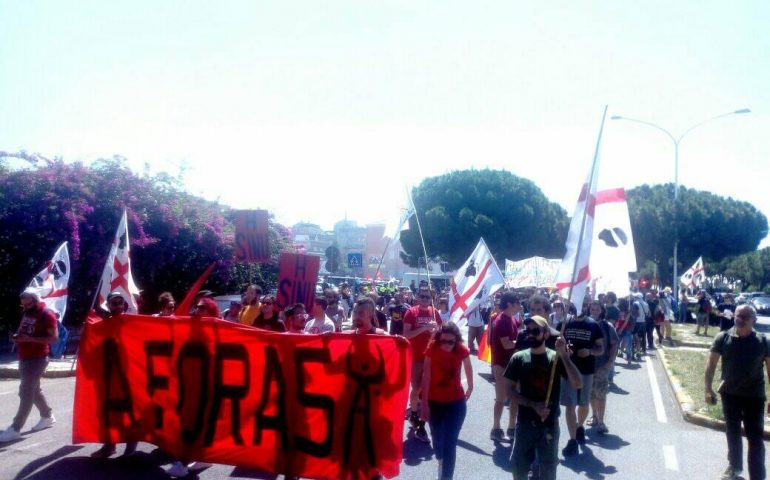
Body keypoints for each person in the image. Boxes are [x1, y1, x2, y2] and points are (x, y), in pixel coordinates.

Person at [505, 315, 582, 480]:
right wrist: (533, 405)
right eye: (528, 331)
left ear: (546, 334)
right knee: (518, 469)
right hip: (525, 423)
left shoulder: (555, 359)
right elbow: (509, 391)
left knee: (548, 472)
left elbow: (577, 383)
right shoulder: (518, 358)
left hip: (549, 425)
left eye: (535, 330)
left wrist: (565, 356)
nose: (531, 334)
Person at [705, 305, 770, 480]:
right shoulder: (723, 337)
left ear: (753, 320)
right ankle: (734, 467)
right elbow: (711, 365)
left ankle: (757, 476)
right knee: (732, 432)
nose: (739, 318)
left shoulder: (763, 341)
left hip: (754, 397)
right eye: (737, 315)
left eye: (745, 316)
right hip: (730, 394)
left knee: (755, 438)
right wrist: (708, 388)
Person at [0, 289, 58, 443]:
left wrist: (29, 339)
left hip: (37, 358)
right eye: (23, 304)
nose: (24, 307)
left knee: (25, 392)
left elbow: (53, 338)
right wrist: (18, 337)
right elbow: (25, 331)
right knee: (34, 390)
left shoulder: (47, 314)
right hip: (25, 357)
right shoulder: (27, 312)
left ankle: (15, 428)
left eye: (28, 304)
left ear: (36, 300)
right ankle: (47, 416)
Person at [420, 322, 473, 480]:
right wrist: (423, 404)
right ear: (438, 339)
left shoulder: (461, 349)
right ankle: (441, 461)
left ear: (456, 340)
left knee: (450, 442)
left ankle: (446, 477)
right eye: (443, 341)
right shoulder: (432, 348)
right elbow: (426, 375)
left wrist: (470, 387)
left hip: (455, 403)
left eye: (450, 341)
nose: (446, 344)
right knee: (437, 440)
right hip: (434, 402)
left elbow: (469, 367)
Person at [90, 292, 139, 458]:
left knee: (129, 411)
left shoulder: (132, 323)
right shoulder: (103, 325)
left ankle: (131, 447)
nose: (117, 305)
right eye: (113, 303)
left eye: (120, 302)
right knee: (107, 412)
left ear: (124, 304)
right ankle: (109, 445)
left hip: (129, 377)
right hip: (107, 377)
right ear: (108, 305)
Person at [557, 303, 603, 456]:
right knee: (570, 405)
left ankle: (579, 426)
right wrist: (563, 350)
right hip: (568, 370)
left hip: (586, 371)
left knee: (583, 403)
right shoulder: (564, 323)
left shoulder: (593, 325)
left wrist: (589, 351)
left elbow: (600, 348)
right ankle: (572, 440)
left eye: (581, 305)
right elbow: (556, 343)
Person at [403, 288, 442, 443]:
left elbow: (440, 333)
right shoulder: (411, 313)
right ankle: (413, 413)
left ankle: (421, 418)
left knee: (428, 389)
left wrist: (436, 330)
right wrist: (424, 328)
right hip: (416, 357)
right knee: (417, 387)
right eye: (423, 296)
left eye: (428, 297)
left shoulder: (435, 313)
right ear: (418, 298)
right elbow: (407, 334)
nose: (425, 299)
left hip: (431, 357)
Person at [489, 292, 522, 443]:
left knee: (514, 398)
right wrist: (523, 342)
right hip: (502, 364)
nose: (520, 306)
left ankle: (511, 428)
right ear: (509, 304)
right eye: (518, 303)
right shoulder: (502, 320)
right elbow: (507, 344)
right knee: (501, 398)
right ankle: (496, 428)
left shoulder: (511, 319)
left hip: (512, 364)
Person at [587, 300, 618, 434]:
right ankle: (594, 416)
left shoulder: (607, 326)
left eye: (597, 309)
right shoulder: (586, 324)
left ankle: (601, 421)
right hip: (587, 365)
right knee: (590, 393)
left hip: (602, 365)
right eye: (592, 309)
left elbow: (614, 343)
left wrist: (611, 361)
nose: (594, 311)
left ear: (601, 310)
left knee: (601, 393)